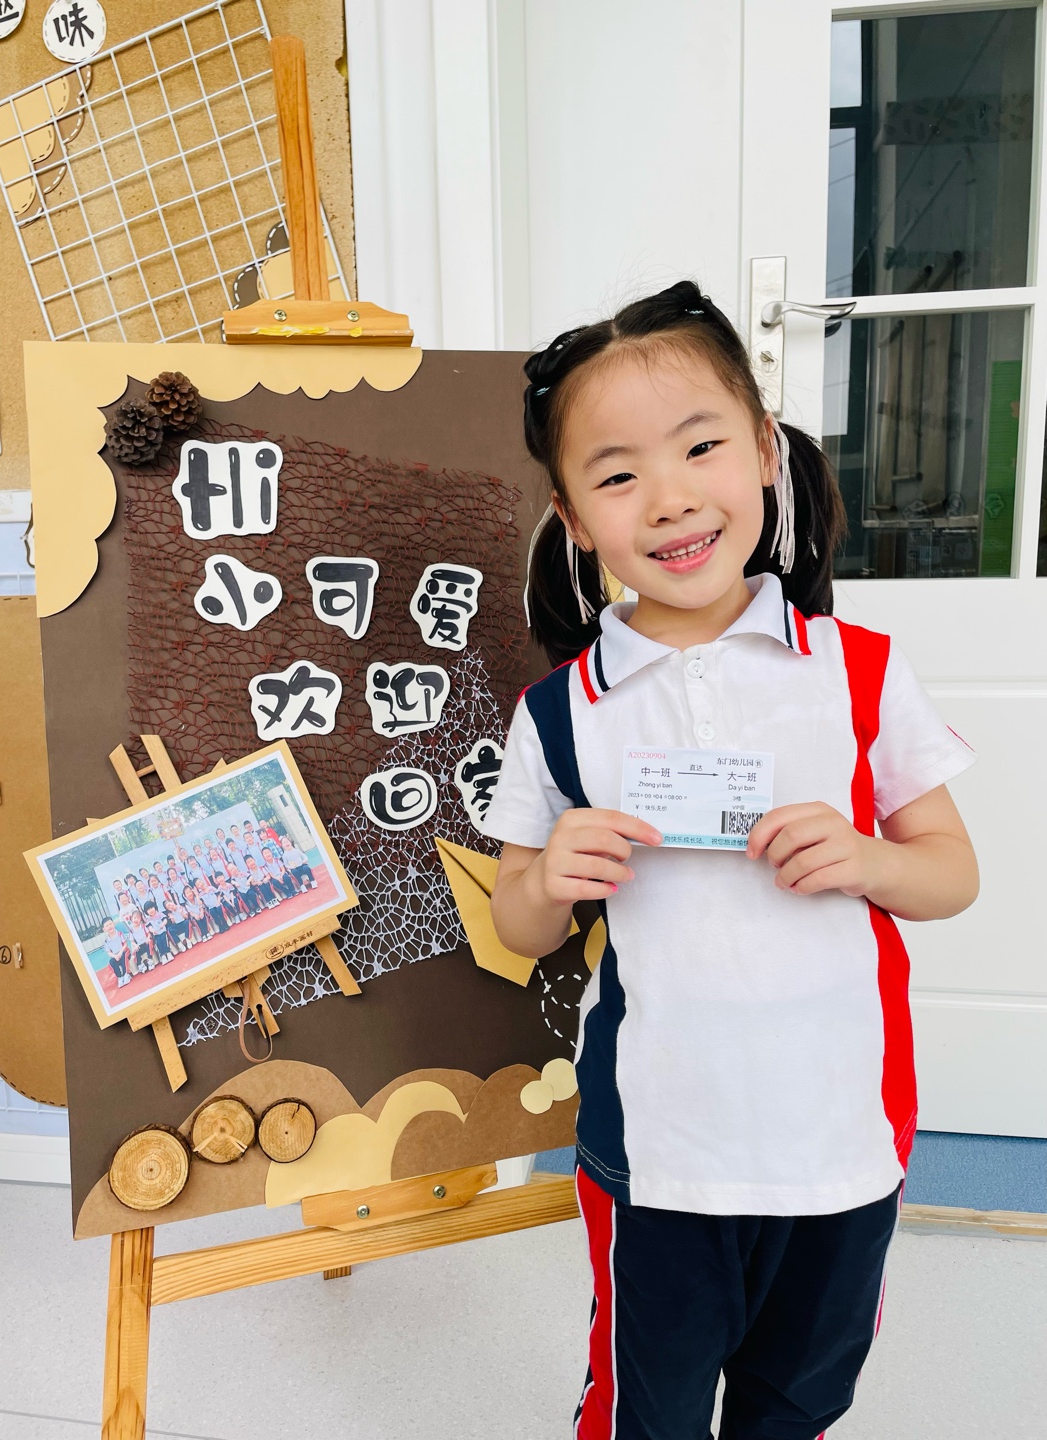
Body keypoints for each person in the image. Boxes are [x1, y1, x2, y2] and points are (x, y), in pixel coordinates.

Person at [484, 281, 980, 1440]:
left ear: (764, 450)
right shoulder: (560, 712)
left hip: (842, 1142)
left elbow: (953, 874)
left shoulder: (858, 670)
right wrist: (548, 879)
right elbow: (517, 923)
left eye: (700, 446)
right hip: (658, 1154)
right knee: (644, 1410)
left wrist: (866, 859)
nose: (669, 497)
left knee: (796, 1403)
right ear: (572, 517)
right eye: (618, 475)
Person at [101, 919, 131, 988]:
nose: (109, 926)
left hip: (124, 952)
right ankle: (120, 977)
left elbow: (125, 944)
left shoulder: (120, 934)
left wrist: (120, 952)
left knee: (124, 956)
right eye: (107, 926)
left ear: (114, 924)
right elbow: (109, 952)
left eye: (110, 924)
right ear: (104, 929)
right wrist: (115, 956)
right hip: (116, 956)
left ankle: (126, 974)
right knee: (111, 962)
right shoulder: (106, 941)